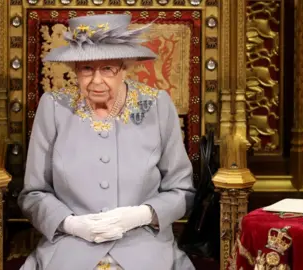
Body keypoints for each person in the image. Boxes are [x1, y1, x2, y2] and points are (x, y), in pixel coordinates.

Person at [18, 13, 196, 270]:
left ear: (125, 67)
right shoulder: (54, 107)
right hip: (70, 247)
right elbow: (33, 194)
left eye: (108, 68)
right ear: (74, 69)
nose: (96, 80)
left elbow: (182, 191)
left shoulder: (156, 104)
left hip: (144, 247)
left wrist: (141, 216)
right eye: (86, 68)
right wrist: (71, 224)